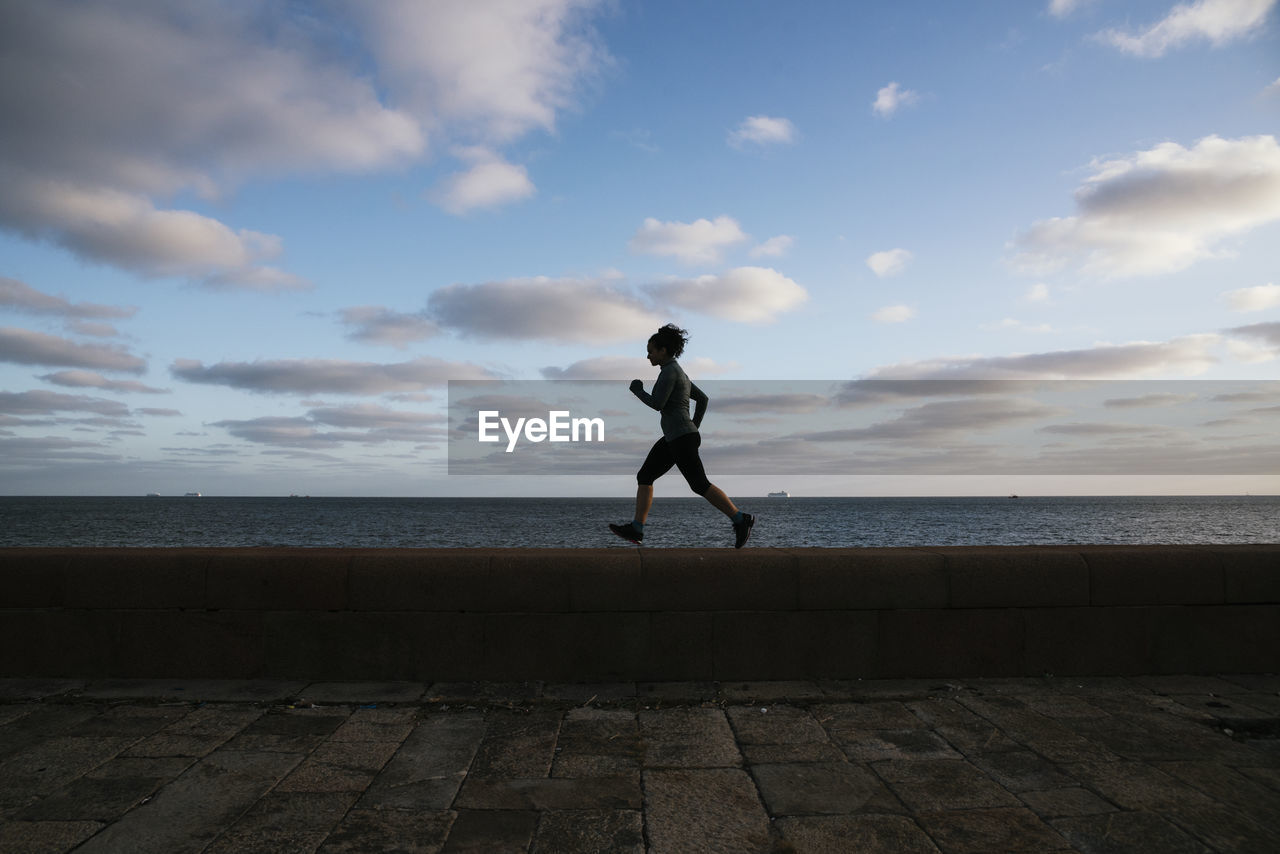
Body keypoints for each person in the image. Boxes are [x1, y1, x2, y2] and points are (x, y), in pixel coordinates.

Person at [610, 324, 755, 548]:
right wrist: (693, 427)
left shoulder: (670, 372)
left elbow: (658, 404)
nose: (647, 355)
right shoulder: (680, 373)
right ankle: (637, 529)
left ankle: (740, 519)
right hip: (676, 437)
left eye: (651, 350)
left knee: (699, 484)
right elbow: (703, 399)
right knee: (645, 475)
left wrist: (638, 391)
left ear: (664, 350)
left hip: (680, 438)